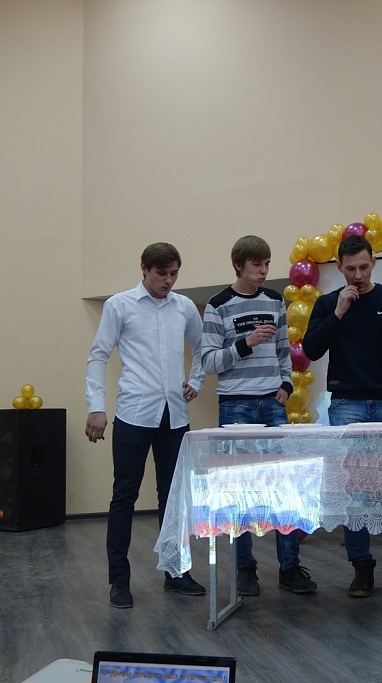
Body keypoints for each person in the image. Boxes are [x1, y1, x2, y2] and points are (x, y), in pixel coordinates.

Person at [303, 236, 382, 598]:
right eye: (350, 269)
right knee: (354, 491)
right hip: (346, 404)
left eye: (363, 267)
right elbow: (311, 350)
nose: (357, 275)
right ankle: (361, 567)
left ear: (373, 263)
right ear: (339, 267)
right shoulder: (328, 303)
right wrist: (338, 312)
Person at [86, 242, 207, 608]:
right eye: (161, 274)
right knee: (124, 495)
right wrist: (96, 407)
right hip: (133, 414)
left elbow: (203, 348)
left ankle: (176, 573)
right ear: (144, 268)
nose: (168, 281)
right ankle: (119, 581)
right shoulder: (119, 305)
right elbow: (98, 356)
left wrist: (196, 380)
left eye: (174, 274)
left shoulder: (184, 307)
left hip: (175, 416)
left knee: (173, 498)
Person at [200, 235, 316, 596]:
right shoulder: (218, 305)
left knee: (286, 485)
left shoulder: (275, 300)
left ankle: (290, 568)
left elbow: (284, 352)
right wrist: (245, 343)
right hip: (235, 403)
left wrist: (286, 384)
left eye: (267, 263)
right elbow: (209, 362)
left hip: (272, 402)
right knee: (239, 488)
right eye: (256, 264)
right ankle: (245, 569)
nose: (264, 270)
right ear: (239, 265)